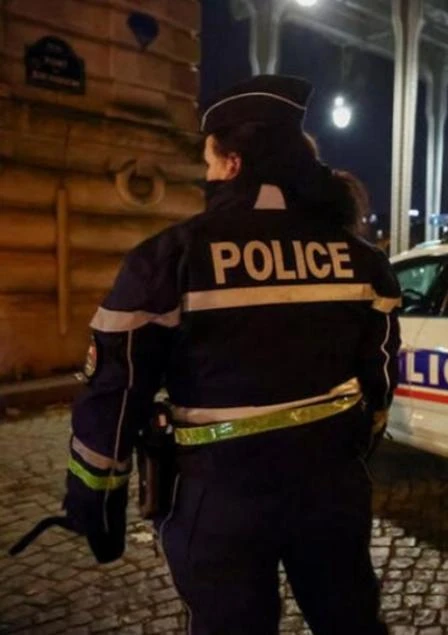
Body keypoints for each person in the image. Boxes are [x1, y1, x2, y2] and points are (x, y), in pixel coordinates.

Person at [62, 75, 400, 634]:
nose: (208, 175)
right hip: (333, 485)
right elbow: (382, 374)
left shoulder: (169, 257)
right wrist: (352, 444)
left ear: (235, 164)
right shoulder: (362, 259)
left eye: (211, 163)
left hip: (221, 496)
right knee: (351, 621)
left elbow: (116, 393)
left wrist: (92, 500)